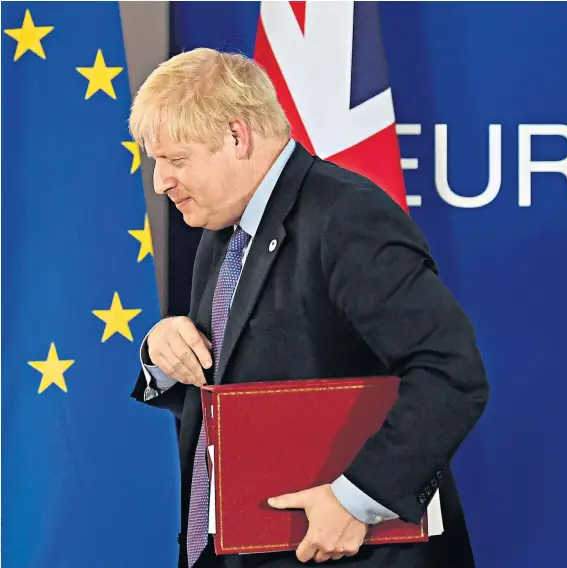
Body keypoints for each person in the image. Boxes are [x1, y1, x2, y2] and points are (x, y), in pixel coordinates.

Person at [128, 47, 489, 568]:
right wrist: (164, 355)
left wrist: (357, 499)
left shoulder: (348, 217)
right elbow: (245, 391)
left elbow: (451, 372)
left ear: (236, 136)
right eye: (156, 161)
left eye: (176, 160)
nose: (161, 182)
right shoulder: (222, 226)